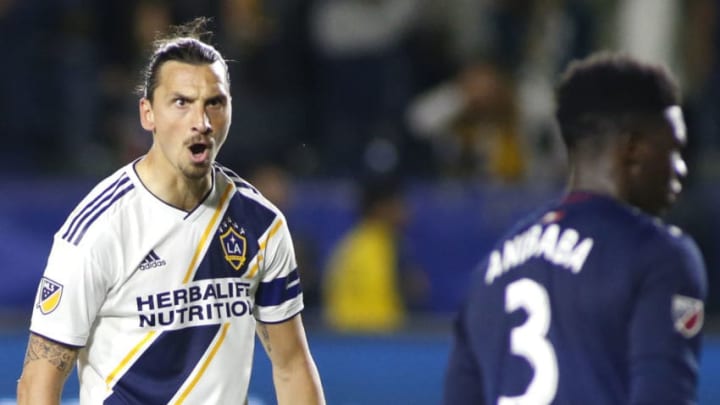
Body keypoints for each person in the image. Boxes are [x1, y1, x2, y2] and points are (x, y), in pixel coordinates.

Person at [17, 18, 325, 405]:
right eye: (182, 102)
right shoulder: (99, 230)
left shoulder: (260, 225)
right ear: (147, 114)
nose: (202, 122)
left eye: (215, 103)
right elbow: (37, 385)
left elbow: (292, 366)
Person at [443, 52, 707, 404]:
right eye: (673, 149)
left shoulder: (489, 271)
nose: (680, 169)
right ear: (633, 148)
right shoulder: (660, 256)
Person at [323, 175, 427, 333]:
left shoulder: (350, 244)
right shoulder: (375, 251)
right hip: (370, 345)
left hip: (347, 344)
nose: (406, 211)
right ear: (381, 208)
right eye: (399, 204)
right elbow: (379, 320)